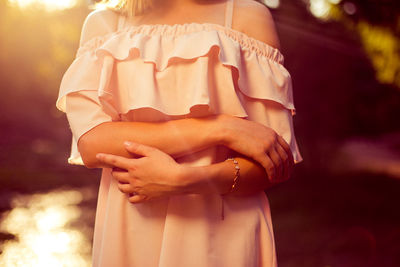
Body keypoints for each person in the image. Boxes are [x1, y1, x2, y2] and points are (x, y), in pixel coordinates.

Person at [56, 0, 302, 266]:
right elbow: (94, 144)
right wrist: (221, 128)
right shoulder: (105, 23)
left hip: (223, 235)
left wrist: (184, 180)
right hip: (133, 230)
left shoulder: (247, 16)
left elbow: (275, 160)